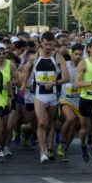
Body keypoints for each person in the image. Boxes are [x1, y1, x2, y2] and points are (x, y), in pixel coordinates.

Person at [21, 32, 69, 164]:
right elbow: (26, 70)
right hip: (39, 95)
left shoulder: (58, 57)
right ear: (41, 42)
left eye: (50, 44)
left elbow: (66, 77)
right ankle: (43, 153)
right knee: (41, 122)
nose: (48, 47)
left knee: (50, 123)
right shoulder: (34, 57)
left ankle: (49, 147)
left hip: (53, 95)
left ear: (54, 43)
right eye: (46, 44)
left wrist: (54, 82)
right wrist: (24, 83)